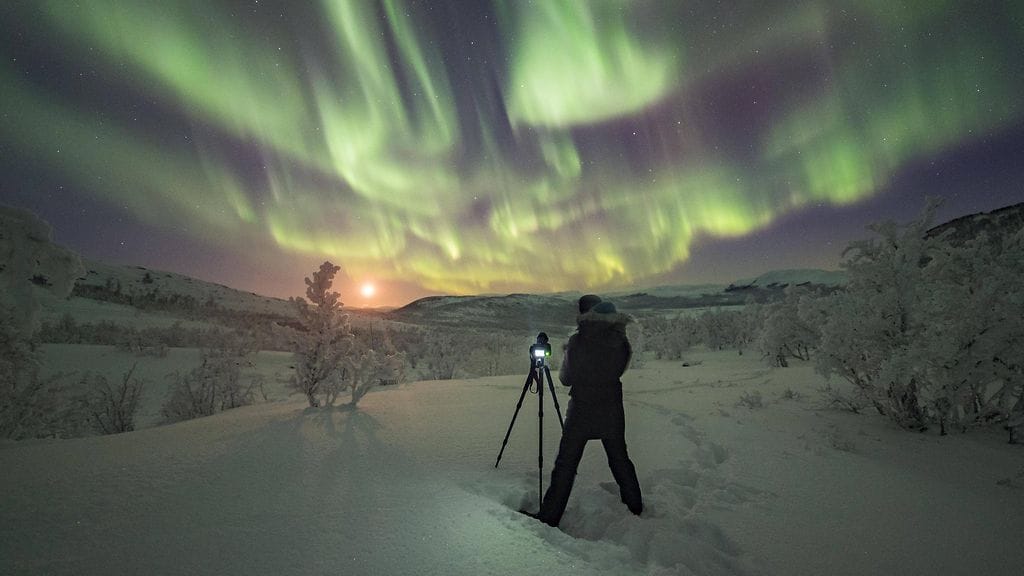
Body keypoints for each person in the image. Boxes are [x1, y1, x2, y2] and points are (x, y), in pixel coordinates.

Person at [533, 294, 643, 527]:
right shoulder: (621, 341)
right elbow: (618, 370)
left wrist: (569, 355)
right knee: (619, 459)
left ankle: (550, 516)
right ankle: (635, 505)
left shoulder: (578, 342)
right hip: (612, 408)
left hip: (581, 410)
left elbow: (566, 378)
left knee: (566, 464)